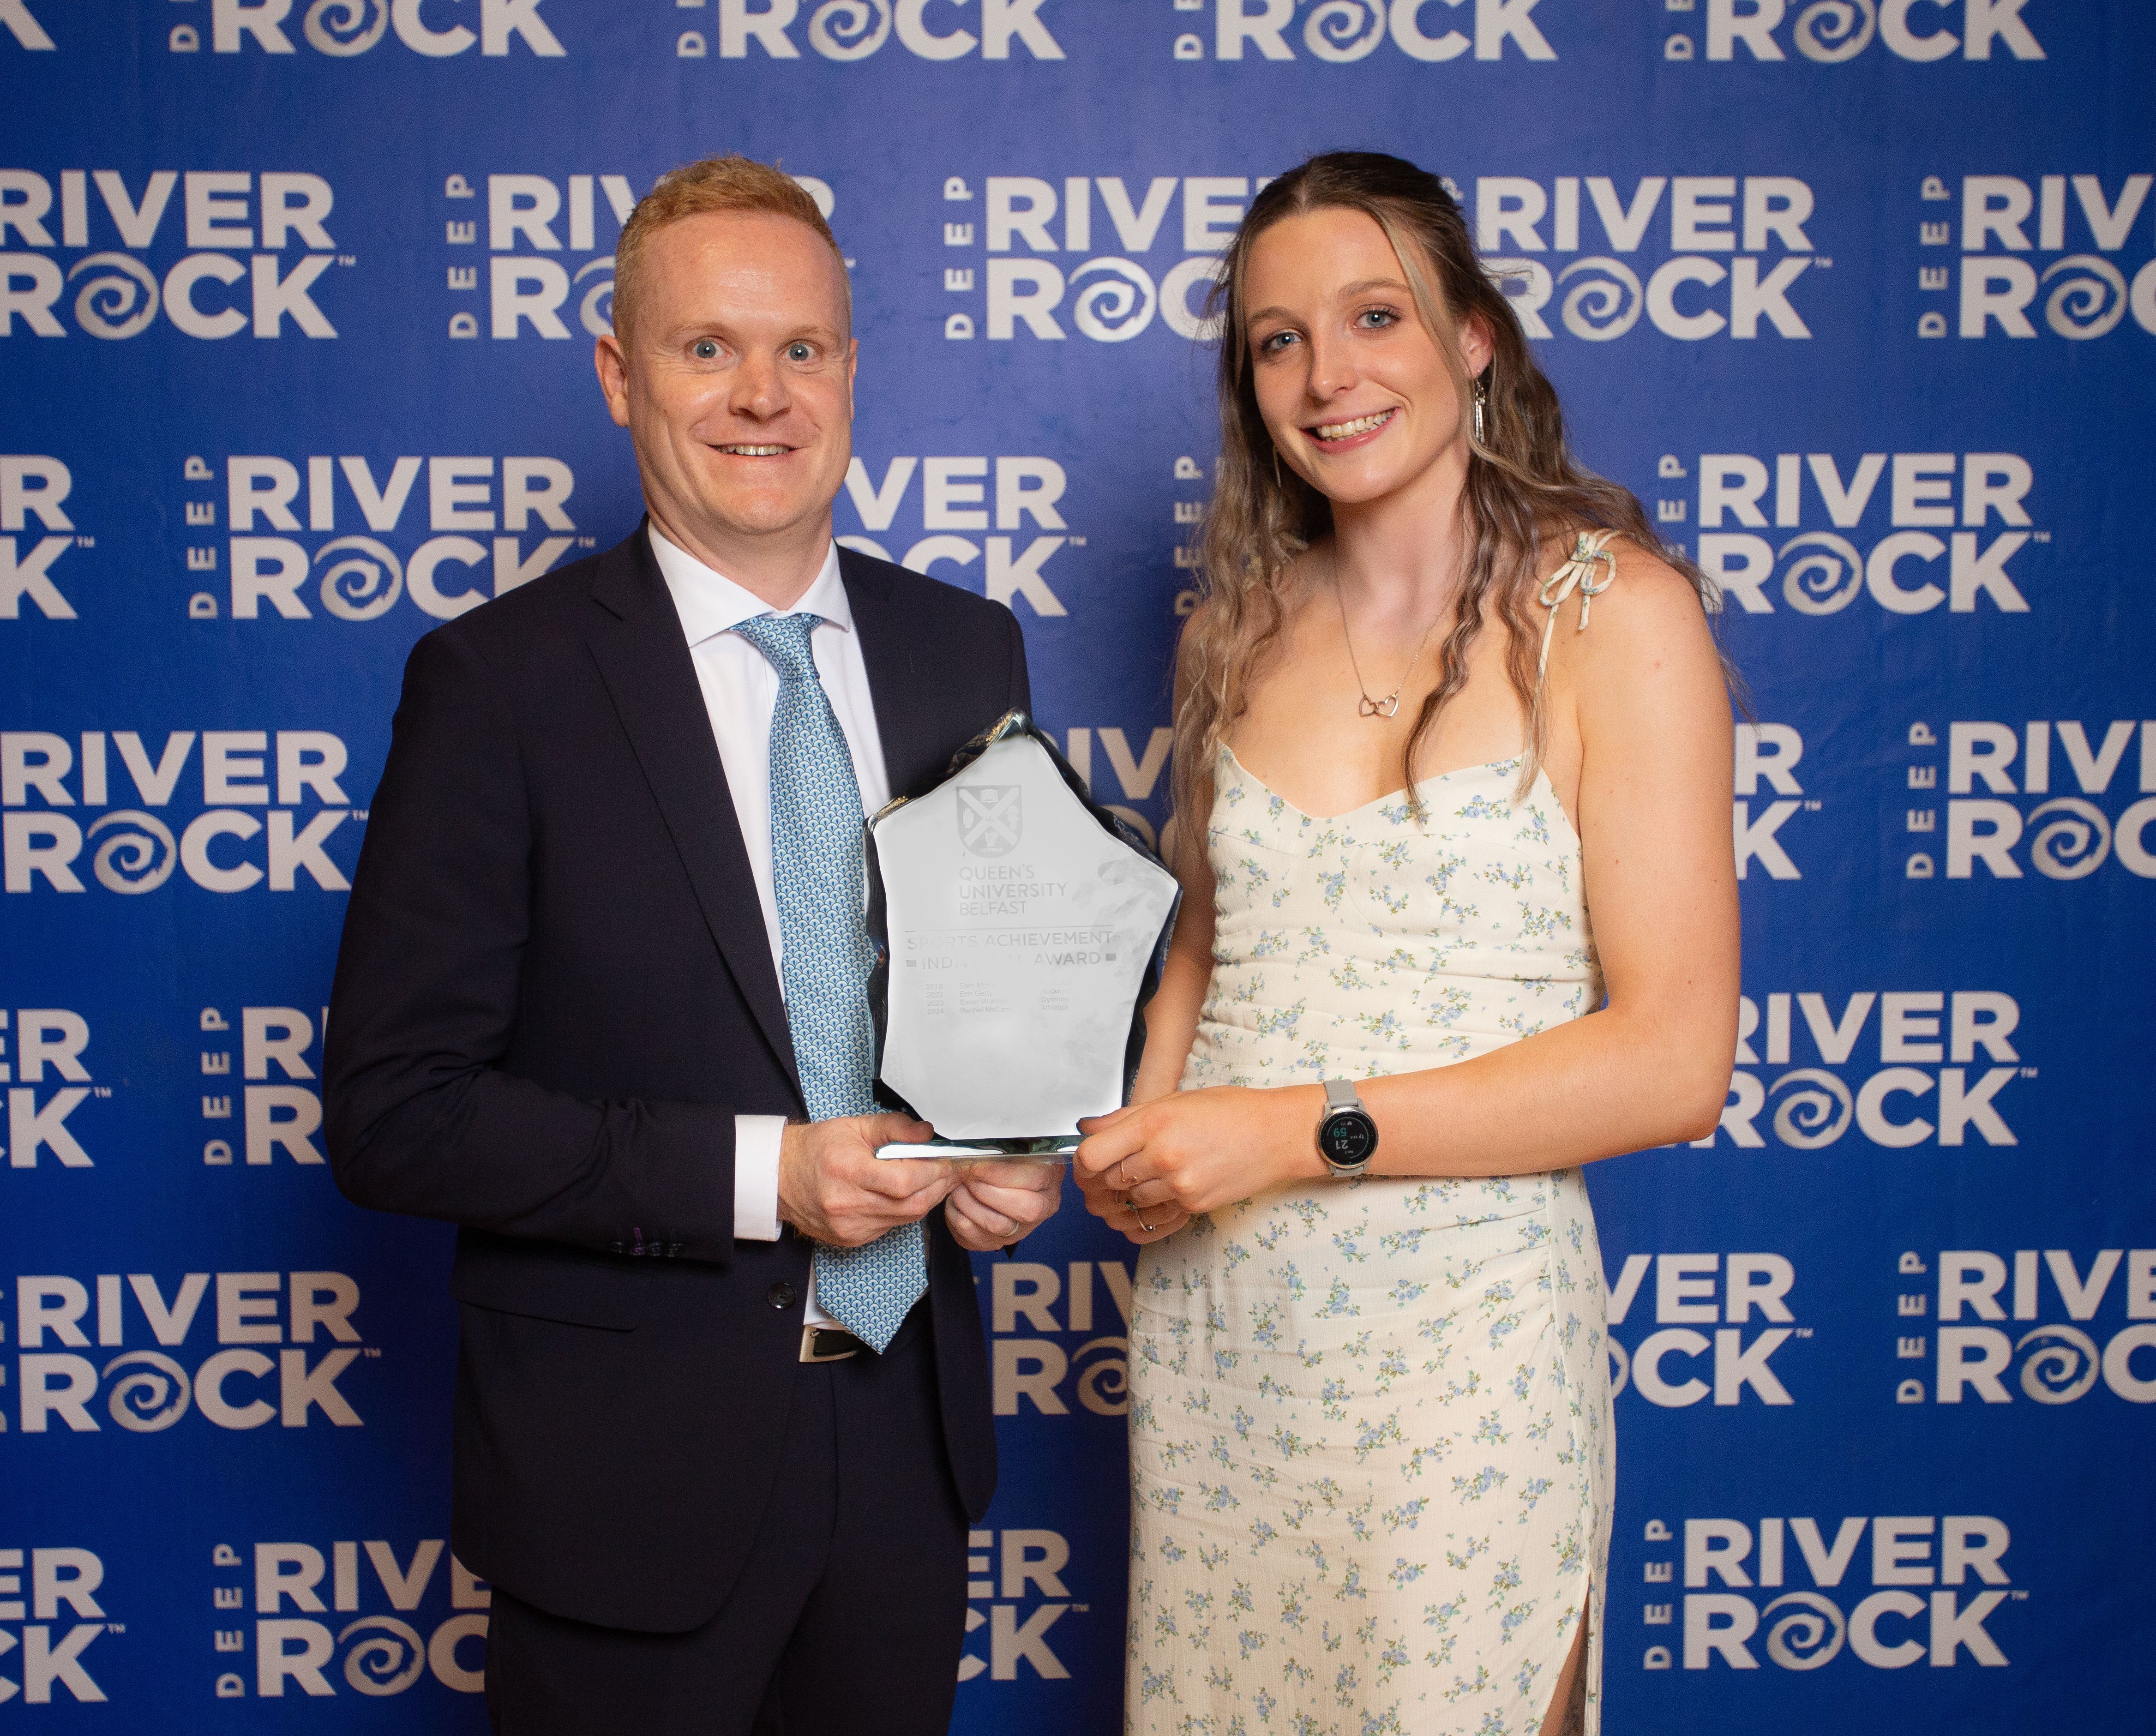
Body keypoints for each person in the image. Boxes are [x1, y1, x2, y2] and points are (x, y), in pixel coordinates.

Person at [322, 155, 1063, 1735]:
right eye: (704, 348)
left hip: (907, 1438)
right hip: (623, 1472)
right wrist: (766, 1176)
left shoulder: (963, 647)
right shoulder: (497, 684)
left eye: (801, 348)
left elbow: (997, 994)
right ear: (617, 374)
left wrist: (1013, 1154)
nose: (761, 395)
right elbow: (394, 1108)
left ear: (852, 370)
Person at [1074, 151, 1740, 1736]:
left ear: (1473, 341)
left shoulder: (1615, 615)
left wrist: (1291, 1132)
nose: (1327, 373)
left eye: (1375, 315)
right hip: (1226, 1342)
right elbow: (1208, 950)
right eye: (1277, 339)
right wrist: (1133, 1134)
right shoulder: (1232, 629)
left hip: (1465, 1357)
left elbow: (1673, 1061)